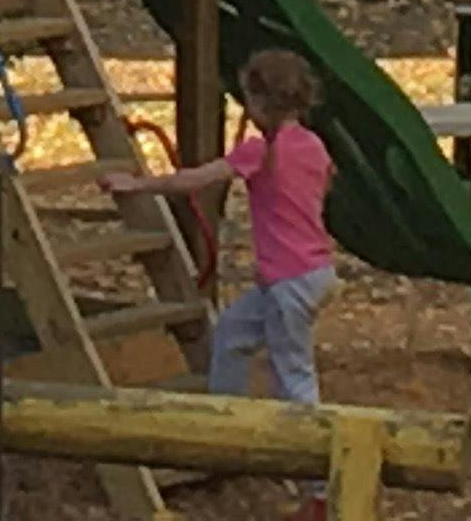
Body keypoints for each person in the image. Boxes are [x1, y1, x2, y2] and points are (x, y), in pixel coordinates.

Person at [104, 48, 341, 516]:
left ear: (261, 104)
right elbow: (324, 182)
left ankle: (319, 492)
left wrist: (138, 185)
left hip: (290, 283)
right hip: (309, 275)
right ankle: (224, 431)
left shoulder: (260, 151)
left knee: (294, 377)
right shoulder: (313, 146)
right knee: (232, 332)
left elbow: (197, 180)